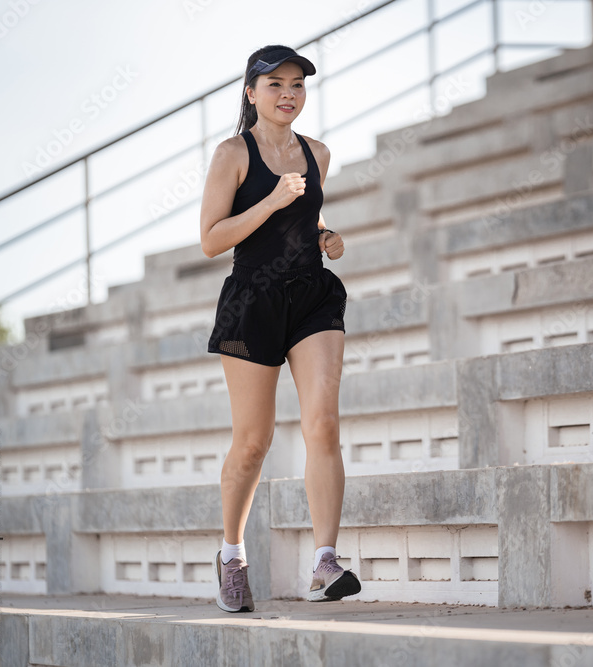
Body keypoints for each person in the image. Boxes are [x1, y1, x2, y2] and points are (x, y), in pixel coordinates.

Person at [199, 44, 360, 612]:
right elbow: (212, 239)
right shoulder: (231, 154)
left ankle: (324, 562)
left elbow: (307, 215)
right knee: (253, 443)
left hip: (312, 296)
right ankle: (232, 555)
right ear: (251, 93)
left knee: (324, 422)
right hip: (252, 301)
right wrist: (269, 201)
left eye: (297, 84)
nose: (288, 93)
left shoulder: (317, 153)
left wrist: (325, 236)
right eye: (275, 85)